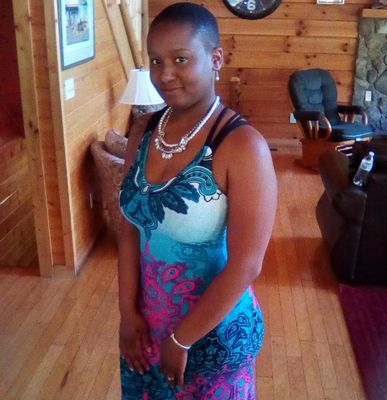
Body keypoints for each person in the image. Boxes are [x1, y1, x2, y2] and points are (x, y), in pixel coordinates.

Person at [118, 3, 277, 399]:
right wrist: (127, 312)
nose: (164, 74)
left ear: (216, 59)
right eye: (156, 61)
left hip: (211, 335)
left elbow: (247, 264)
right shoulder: (144, 130)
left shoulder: (242, 146)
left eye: (181, 59)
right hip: (147, 330)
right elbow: (129, 227)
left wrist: (182, 339)